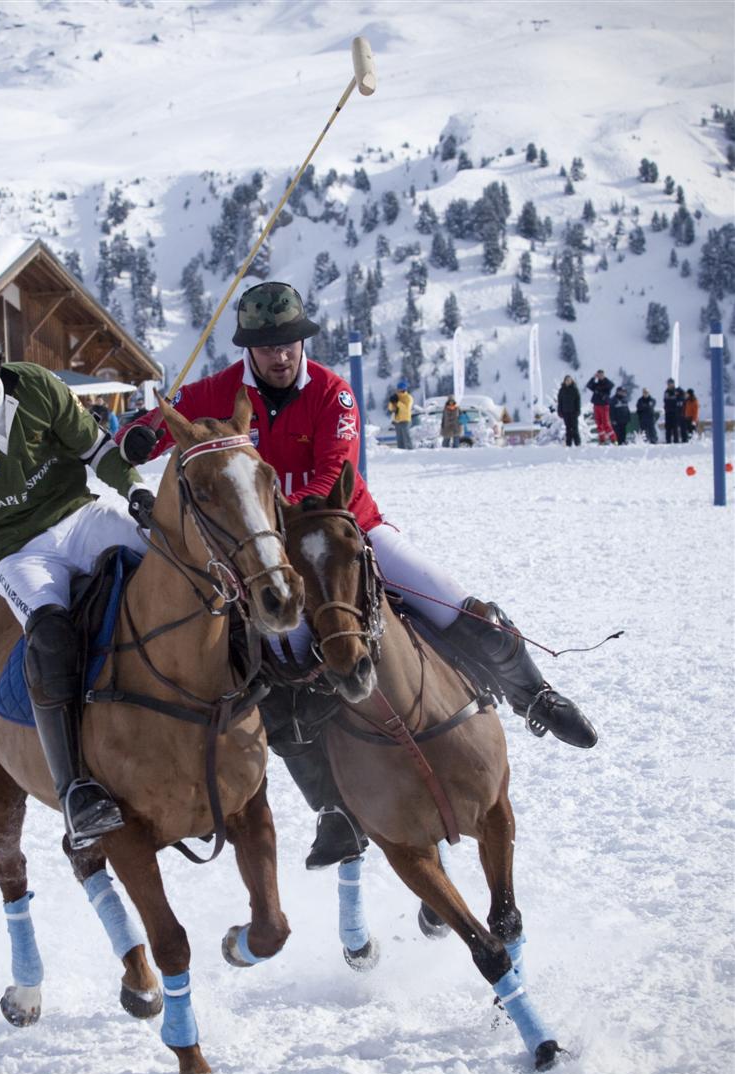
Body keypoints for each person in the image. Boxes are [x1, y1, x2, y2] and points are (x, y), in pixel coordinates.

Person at [117, 282, 597, 870]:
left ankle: (535, 696)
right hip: (268, 555)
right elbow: (154, 429)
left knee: (456, 606)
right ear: (249, 350)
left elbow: (334, 471)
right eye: (267, 347)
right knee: (281, 678)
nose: (280, 356)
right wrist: (140, 434)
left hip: (348, 531)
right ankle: (334, 810)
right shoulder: (219, 390)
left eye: (289, 344)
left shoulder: (332, 393)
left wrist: (285, 519)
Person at [0, 306, 155, 850]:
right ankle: (76, 789)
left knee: (168, 560)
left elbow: (96, 448)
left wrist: (134, 487)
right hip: (9, 555)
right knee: (51, 634)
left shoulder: (36, 385)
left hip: (78, 517)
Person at [585, 369, 616, 445]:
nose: (600, 376)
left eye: (602, 375)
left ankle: (614, 440)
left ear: (604, 375)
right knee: (599, 424)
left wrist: (604, 379)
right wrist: (593, 377)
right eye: (599, 375)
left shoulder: (607, 383)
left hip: (604, 406)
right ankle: (602, 440)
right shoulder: (596, 384)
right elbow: (589, 385)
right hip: (596, 405)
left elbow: (611, 385)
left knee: (606, 424)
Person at [556, 375, 582, 447]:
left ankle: (577, 443)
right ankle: (568, 444)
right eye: (567, 380)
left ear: (571, 381)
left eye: (569, 380)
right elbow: (560, 402)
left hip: (573, 412)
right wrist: (559, 411)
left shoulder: (575, 389)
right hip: (565, 412)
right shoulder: (562, 390)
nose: (568, 381)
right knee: (568, 428)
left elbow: (578, 401)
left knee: (575, 428)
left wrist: (578, 410)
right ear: (564, 381)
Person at [387, 381, 414, 449]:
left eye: (400, 389)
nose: (399, 390)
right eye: (398, 389)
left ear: (404, 389)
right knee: (399, 439)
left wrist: (398, 402)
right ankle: (401, 451)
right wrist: (391, 402)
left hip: (405, 420)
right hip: (397, 421)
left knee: (406, 438)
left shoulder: (408, 397)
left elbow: (406, 408)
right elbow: (391, 409)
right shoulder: (397, 397)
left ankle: (410, 450)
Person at [662, 379, 681, 444]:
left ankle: (676, 442)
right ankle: (668, 442)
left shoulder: (677, 391)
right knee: (668, 428)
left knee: (675, 428)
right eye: (668, 384)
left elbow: (679, 399)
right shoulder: (666, 392)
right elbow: (666, 400)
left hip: (675, 413)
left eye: (670, 383)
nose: (669, 385)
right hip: (668, 412)